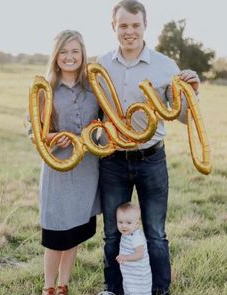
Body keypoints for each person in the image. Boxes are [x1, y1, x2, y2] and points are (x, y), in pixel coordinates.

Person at [97, 1, 200, 295]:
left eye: (135, 25)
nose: (130, 31)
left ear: (145, 25)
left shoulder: (166, 66)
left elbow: (181, 115)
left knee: (155, 233)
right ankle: (113, 289)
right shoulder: (100, 65)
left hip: (151, 158)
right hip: (112, 160)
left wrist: (191, 95)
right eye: (123, 25)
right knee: (111, 233)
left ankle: (159, 291)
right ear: (113, 26)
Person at [28, 30, 100, 295]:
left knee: (75, 232)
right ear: (55, 55)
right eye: (64, 52)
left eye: (75, 52)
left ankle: (63, 286)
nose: (69, 57)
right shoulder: (44, 89)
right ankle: (48, 287)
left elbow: (104, 124)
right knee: (57, 233)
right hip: (58, 172)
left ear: (82, 55)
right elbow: (32, 130)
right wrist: (52, 137)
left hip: (86, 172)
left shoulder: (93, 88)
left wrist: (97, 130)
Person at [116, 202, 152, 295]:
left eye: (128, 223)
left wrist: (125, 257)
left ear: (136, 224)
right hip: (130, 274)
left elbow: (140, 254)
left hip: (139, 277)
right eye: (120, 222)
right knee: (129, 290)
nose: (123, 225)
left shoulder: (136, 237)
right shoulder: (126, 234)